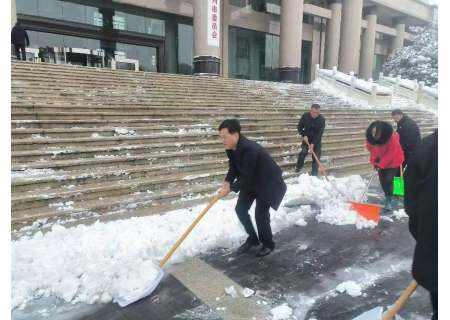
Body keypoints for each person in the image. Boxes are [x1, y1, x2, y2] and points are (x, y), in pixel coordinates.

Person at [218, 119, 287, 257]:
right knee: (240, 209)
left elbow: (247, 175)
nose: (223, 141)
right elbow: (234, 167)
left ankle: (268, 244)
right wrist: (227, 182)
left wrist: (230, 188)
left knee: (260, 214)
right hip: (251, 182)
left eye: (225, 137)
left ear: (235, 134)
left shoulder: (251, 149)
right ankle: (253, 239)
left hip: (267, 182)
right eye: (221, 138)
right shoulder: (231, 148)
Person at [404, 130, 437, 320]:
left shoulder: (427, 147)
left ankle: (390, 199)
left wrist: (426, 239)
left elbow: (412, 207)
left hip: (399, 161)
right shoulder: (428, 150)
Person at [365, 121, 404, 211]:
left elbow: (391, 154)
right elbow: (372, 151)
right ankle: (388, 196)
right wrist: (375, 162)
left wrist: (381, 164)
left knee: (389, 179)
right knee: (382, 180)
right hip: (382, 160)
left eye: (376, 132)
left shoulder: (391, 139)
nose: (374, 134)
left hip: (395, 160)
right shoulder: (371, 138)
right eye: (373, 132)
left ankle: (394, 197)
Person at [296, 104, 326, 176]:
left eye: (317, 113)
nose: (315, 114)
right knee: (303, 152)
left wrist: (313, 144)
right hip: (307, 139)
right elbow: (299, 127)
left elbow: (319, 134)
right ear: (310, 110)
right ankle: (298, 167)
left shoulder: (322, 119)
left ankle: (314, 174)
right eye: (314, 112)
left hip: (316, 141)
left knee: (316, 157)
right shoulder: (305, 116)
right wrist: (303, 135)